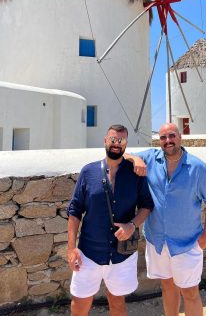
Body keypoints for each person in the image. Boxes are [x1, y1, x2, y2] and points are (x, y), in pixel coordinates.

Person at [67, 124, 153, 316]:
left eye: (121, 140)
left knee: (117, 303)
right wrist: (71, 248)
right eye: (113, 139)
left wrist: (132, 225)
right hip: (89, 253)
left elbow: (147, 205)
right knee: (79, 305)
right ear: (105, 141)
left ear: (126, 144)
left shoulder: (135, 173)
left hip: (122, 256)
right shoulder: (88, 172)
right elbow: (74, 211)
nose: (116, 144)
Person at [135, 122, 206, 316]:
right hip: (157, 241)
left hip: (187, 243)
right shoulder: (150, 158)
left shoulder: (198, 167)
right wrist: (135, 160)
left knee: (190, 292)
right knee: (167, 286)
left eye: (172, 136)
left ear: (180, 137)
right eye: (163, 137)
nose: (168, 141)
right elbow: (123, 156)